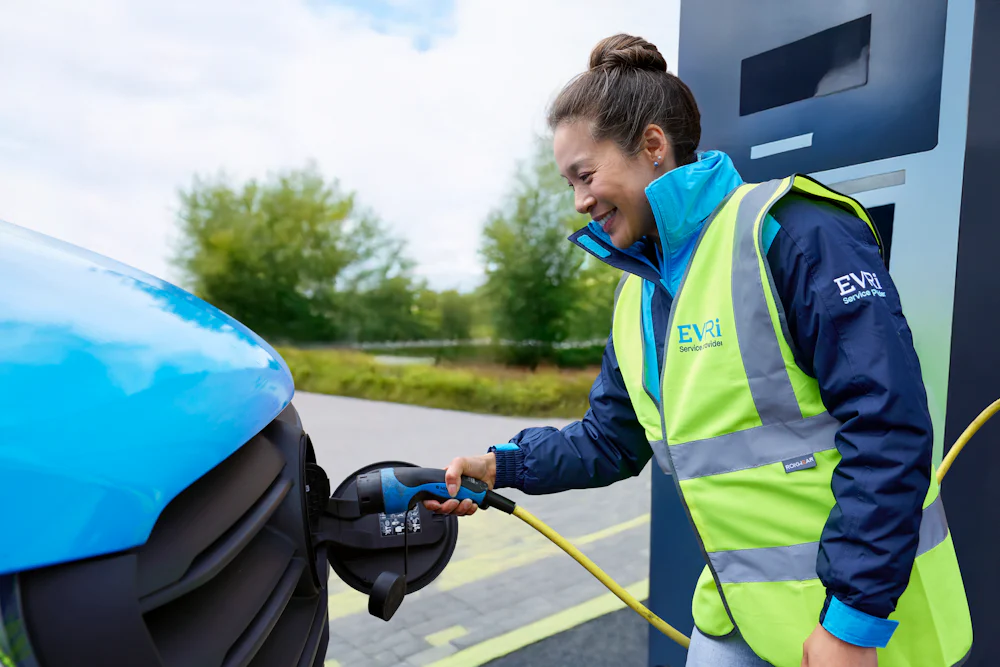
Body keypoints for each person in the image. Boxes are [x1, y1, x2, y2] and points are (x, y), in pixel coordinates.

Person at [424, 34, 972, 667]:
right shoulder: (636, 300)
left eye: (585, 174)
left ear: (653, 147)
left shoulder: (792, 230)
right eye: (568, 183)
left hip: (861, 624)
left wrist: (852, 624)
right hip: (737, 615)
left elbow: (888, 428)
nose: (578, 201)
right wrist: (502, 466)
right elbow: (610, 441)